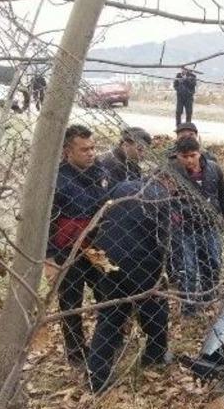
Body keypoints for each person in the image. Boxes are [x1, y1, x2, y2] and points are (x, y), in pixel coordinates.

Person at [86, 174, 172, 392]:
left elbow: (99, 214)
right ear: (167, 181)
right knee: (155, 307)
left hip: (106, 256)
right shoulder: (160, 195)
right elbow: (164, 238)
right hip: (141, 259)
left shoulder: (121, 186)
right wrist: (167, 270)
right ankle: (155, 355)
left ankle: (97, 377)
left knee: (110, 315)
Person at [45, 125, 111, 366]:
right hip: (67, 252)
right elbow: (47, 223)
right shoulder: (57, 181)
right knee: (71, 304)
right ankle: (76, 353)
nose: (91, 153)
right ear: (67, 151)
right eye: (84, 149)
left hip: (97, 248)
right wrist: (49, 259)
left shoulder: (100, 172)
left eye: (93, 148)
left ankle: (106, 343)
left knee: (107, 293)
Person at [172, 136, 224, 316]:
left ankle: (209, 298)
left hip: (209, 227)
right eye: (185, 156)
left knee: (213, 262)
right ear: (177, 156)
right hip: (184, 230)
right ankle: (189, 309)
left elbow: (222, 194)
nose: (190, 160)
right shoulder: (172, 174)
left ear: (200, 152)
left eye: (193, 155)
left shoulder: (213, 169)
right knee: (188, 269)